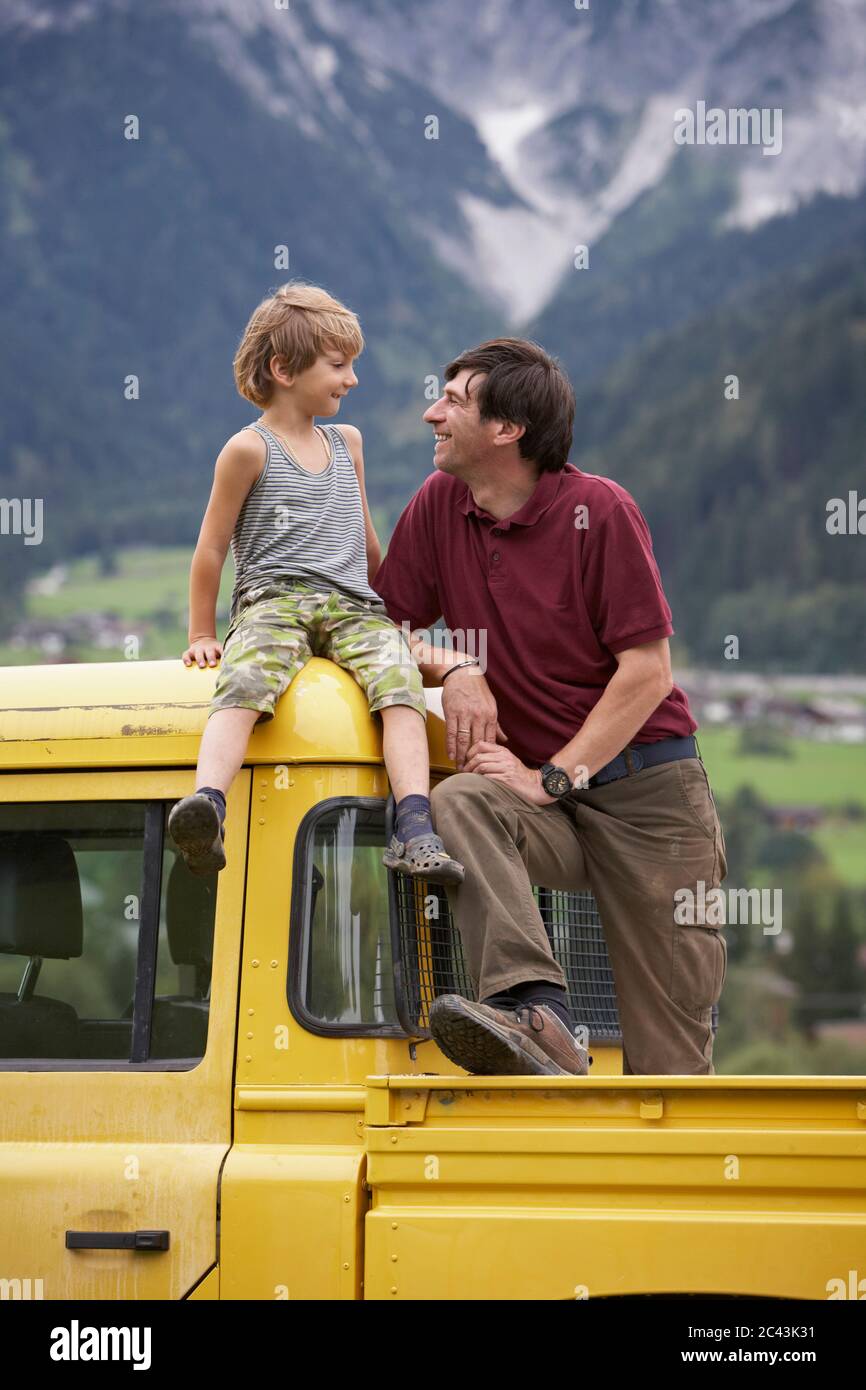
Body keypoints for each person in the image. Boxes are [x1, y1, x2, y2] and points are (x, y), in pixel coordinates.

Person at [373, 338, 727, 1078]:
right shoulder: (440, 506)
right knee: (464, 800)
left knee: (669, 1061)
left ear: (508, 430)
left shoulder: (602, 511)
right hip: (546, 801)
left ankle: (667, 1189)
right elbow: (380, 626)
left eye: (455, 401)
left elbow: (648, 672)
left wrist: (551, 779)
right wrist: (458, 664)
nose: (430, 412)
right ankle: (541, 1010)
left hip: (651, 800)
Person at [169, 282, 463, 885]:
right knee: (247, 676)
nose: (351, 379)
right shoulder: (247, 450)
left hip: (354, 604)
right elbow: (210, 549)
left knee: (398, 684)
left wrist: (395, 619)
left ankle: (413, 823)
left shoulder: (346, 442)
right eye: (338, 365)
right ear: (283, 369)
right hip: (274, 602)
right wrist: (202, 630)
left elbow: (366, 537)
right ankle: (208, 805)